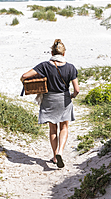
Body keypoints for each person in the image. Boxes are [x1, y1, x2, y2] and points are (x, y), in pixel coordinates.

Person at [21, 39, 79, 168]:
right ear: (63, 54)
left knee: (53, 129)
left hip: (49, 99)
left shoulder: (44, 66)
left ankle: (54, 156)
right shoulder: (71, 67)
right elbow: (77, 89)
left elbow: (25, 75)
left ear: (52, 52)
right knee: (64, 127)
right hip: (64, 99)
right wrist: (72, 96)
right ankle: (60, 152)